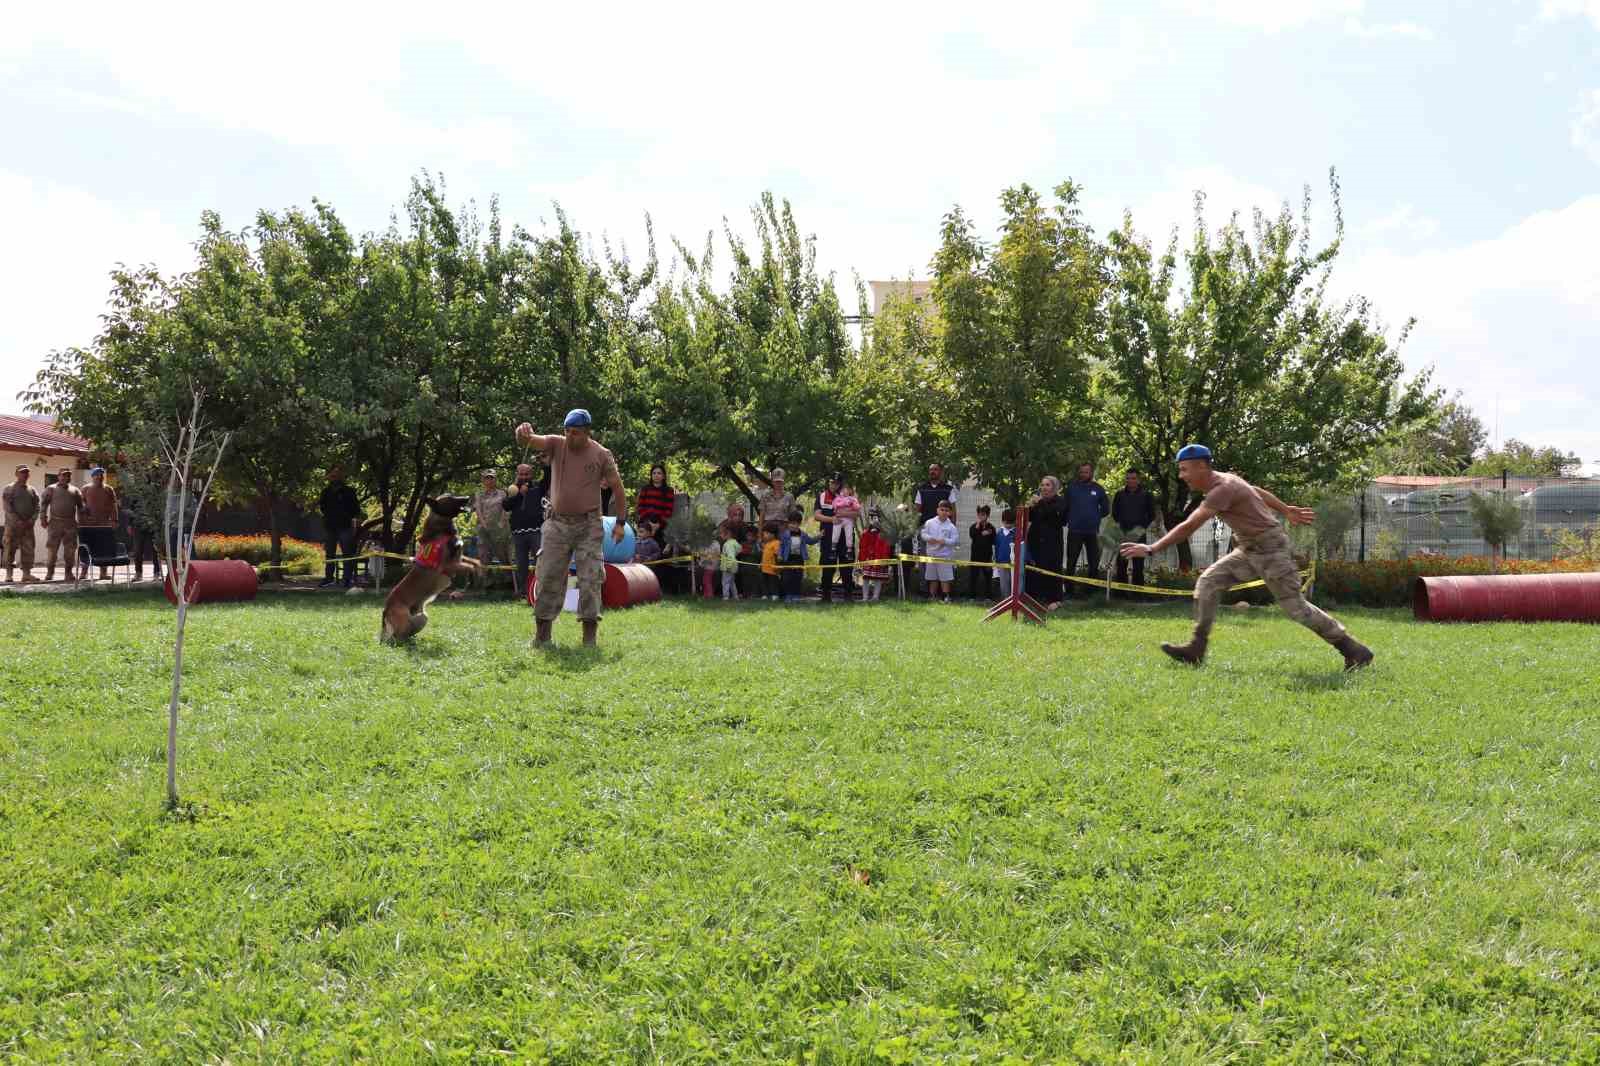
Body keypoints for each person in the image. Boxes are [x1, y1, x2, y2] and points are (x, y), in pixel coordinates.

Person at [1120, 444, 1373, 670]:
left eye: (1185, 469)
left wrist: (1152, 549)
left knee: (1296, 609)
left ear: (1201, 466)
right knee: (1208, 582)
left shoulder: (1221, 489)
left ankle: (1353, 650)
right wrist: (1285, 509)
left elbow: (1190, 526)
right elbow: (1256, 491)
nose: (1181, 476)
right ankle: (1196, 648)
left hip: (1271, 551)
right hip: (1248, 550)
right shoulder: (1227, 481)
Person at [515, 409, 627, 647]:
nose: (570, 436)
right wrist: (522, 432)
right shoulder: (557, 444)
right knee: (548, 576)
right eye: (567, 431)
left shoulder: (601, 454)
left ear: (587, 432)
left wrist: (620, 523)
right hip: (556, 523)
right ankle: (542, 636)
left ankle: (589, 639)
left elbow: (618, 488)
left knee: (591, 579)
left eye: (575, 432)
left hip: (589, 525)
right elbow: (531, 440)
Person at [502, 460, 549, 599]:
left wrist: (545, 464)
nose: (524, 476)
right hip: (518, 533)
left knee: (540, 561)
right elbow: (505, 506)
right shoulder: (512, 489)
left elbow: (548, 478)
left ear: (531, 474)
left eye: (526, 474)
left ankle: (540, 591)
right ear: (517, 474)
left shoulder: (538, 487)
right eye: (521, 474)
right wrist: (519, 495)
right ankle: (522, 592)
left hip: (536, 531)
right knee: (521, 564)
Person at [1062, 462, 1109, 598]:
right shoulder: (1071, 488)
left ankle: (1091, 592)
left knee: (1094, 562)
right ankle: (1069, 591)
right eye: (1081, 472)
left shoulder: (1098, 489)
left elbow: (1106, 509)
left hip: (1092, 532)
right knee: (1071, 562)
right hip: (1075, 530)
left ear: (1091, 473)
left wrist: (1095, 516)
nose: (1083, 474)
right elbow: (1065, 507)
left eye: (1086, 472)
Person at [912, 463, 958, 598]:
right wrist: (915, 528)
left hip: (945, 529)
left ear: (941, 472)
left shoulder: (948, 489)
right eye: (931, 469)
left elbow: (954, 510)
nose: (933, 472)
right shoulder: (922, 489)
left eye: (935, 469)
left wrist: (953, 527)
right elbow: (917, 510)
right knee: (925, 561)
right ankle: (925, 590)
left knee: (944, 562)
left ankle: (944, 593)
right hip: (926, 528)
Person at [1024, 475, 1069, 605]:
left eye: (1047, 485)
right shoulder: (1038, 502)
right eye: (1042, 485)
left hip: (1052, 542)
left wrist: (1040, 503)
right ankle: (1035, 597)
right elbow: (1031, 518)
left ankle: (1055, 600)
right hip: (1036, 540)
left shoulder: (1060, 501)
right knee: (1035, 568)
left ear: (1054, 488)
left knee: (1052, 568)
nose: (1044, 488)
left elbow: (1057, 517)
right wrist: (1030, 507)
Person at [1112, 469, 1157, 592]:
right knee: (1121, 563)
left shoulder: (1146, 495)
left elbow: (1152, 515)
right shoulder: (1119, 494)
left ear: (1138, 480)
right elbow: (1115, 513)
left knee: (1138, 565)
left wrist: (1141, 528)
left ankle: (1138, 594)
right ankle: (1120, 593)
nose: (1130, 481)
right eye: (1128, 478)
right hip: (1123, 533)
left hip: (1139, 534)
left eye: (1133, 478)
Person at [318, 465, 361, 589]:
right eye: (332, 475)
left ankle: (346, 579)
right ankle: (328, 579)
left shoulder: (349, 491)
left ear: (342, 477)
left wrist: (349, 518)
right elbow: (323, 507)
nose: (334, 477)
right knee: (329, 554)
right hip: (330, 526)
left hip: (345, 526)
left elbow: (356, 509)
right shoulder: (326, 492)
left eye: (337, 475)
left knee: (347, 553)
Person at [814, 475, 856, 604]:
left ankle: (848, 596)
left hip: (845, 537)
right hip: (828, 537)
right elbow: (817, 516)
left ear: (840, 484)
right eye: (832, 482)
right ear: (828, 483)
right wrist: (832, 519)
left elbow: (856, 514)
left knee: (846, 566)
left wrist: (842, 514)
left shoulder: (849, 496)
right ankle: (826, 596)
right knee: (828, 566)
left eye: (837, 483)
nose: (834, 485)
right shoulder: (821, 496)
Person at [41, 467, 86, 582]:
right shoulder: (51, 489)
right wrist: (43, 518)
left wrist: (82, 521)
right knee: (52, 549)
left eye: (68, 475)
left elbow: (81, 507)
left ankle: (68, 573)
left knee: (70, 550)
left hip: (70, 524)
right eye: (64, 475)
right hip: (55, 523)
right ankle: (50, 572)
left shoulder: (75, 490)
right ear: (58, 476)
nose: (66, 477)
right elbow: (44, 505)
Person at [472, 469, 511, 591]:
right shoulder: (479, 495)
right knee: (483, 555)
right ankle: (487, 583)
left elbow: (506, 510)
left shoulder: (502, 494)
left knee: (503, 555)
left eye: (492, 477)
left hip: (500, 530)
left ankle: (508, 581)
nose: (489, 480)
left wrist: (501, 523)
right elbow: (478, 510)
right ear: (483, 480)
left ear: (495, 479)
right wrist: (484, 525)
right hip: (484, 530)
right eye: (487, 478)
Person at [78, 466, 119, 580]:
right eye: (97, 475)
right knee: (86, 548)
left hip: (104, 524)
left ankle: (103, 572)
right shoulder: (85, 489)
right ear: (92, 476)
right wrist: (81, 519)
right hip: (88, 525)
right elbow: (80, 506)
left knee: (104, 548)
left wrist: (115, 520)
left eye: (101, 475)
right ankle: (84, 572)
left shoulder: (109, 489)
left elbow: (113, 506)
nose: (100, 477)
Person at [3, 465, 39, 583]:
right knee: (10, 550)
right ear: (16, 474)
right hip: (12, 526)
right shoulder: (9, 488)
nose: (25, 474)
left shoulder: (32, 490)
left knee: (28, 550)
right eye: (22, 472)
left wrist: (31, 520)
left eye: (26, 473)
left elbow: (37, 507)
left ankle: (26, 575)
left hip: (28, 526)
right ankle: (9, 575)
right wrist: (18, 521)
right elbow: (8, 508)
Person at [920, 499, 959, 603]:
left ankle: (946, 597)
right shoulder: (929, 522)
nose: (944, 512)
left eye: (946, 510)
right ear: (937, 510)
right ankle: (932, 596)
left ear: (950, 513)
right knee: (933, 577)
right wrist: (929, 539)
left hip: (944, 556)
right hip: (932, 555)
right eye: (942, 510)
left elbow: (955, 541)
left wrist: (945, 541)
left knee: (944, 578)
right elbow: (923, 534)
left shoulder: (951, 527)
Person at [781, 508, 819, 603]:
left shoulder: (802, 534)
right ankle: (788, 595)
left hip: (799, 559)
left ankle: (796, 595)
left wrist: (819, 537)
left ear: (799, 524)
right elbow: (781, 546)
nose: (793, 526)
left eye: (795, 524)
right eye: (791, 523)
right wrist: (779, 555)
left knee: (797, 578)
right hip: (788, 560)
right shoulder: (785, 534)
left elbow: (810, 541)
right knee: (787, 578)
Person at [125, 489, 162, 582]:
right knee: (137, 550)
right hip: (138, 526)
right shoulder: (135, 493)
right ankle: (138, 573)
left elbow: (158, 509)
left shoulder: (153, 491)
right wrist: (130, 524)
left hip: (151, 525)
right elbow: (131, 509)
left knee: (155, 550)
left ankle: (157, 572)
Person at [857, 514, 893, 603]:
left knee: (878, 578)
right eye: (873, 518)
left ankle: (875, 597)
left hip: (879, 558)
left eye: (877, 518)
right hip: (868, 558)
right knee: (865, 578)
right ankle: (865, 598)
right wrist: (862, 558)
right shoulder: (866, 533)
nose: (875, 521)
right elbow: (862, 546)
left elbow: (886, 547)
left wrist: (883, 559)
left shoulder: (885, 534)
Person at [993, 507, 1028, 599]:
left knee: (1015, 583)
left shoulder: (1017, 533)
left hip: (1015, 564)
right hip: (1002, 563)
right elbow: (996, 547)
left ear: (1014, 522)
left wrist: (1028, 559)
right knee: (1004, 584)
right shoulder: (999, 533)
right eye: (1006, 523)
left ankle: (1015, 600)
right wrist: (996, 560)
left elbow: (1023, 548)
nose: (1008, 525)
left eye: (1010, 523)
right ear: (1002, 521)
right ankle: (1005, 600)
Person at [967, 504, 996, 600]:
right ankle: (972, 596)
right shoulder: (973, 526)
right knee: (973, 577)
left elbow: (994, 541)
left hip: (987, 556)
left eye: (983, 515)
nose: (981, 517)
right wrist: (978, 525)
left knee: (988, 577)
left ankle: (988, 596)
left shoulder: (991, 527)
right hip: (975, 556)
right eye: (979, 514)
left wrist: (988, 533)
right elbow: (972, 535)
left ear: (987, 515)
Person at [636, 464, 677, 532]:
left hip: (660, 523)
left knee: (656, 540)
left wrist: (658, 524)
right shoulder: (645, 489)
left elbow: (668, 510)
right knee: (643, 538)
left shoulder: (668, 490)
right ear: (651, 475)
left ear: (663, 476)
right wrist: (648, 522)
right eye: (654, 473)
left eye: (659, 473)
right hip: (645, 521)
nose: (656, 475)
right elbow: (640, 507)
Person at [759, 523, 782, 600]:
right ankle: (765, 594)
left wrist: (777, 566)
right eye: (764, 534)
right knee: (764, 582)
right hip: (764, 568)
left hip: (772, 569)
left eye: (766, 533)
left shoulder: (776, 543)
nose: (764, 535)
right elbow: (764, 555)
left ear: (773, 534)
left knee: (773, 582)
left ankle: (775, 594)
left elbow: (776, 555)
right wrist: (761, 563)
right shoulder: (767, 544)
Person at [718, 521, 741, 600]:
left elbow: (730, 556)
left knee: (725, 582)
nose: (720, 535)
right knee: (731, 582)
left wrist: (728, 566)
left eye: (721, 533)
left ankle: (726, 596)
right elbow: (739, 550)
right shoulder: (735, 542)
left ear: (728, 534)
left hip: (728, 566)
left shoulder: (727, 544)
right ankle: (735, 596)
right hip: (734, 565)